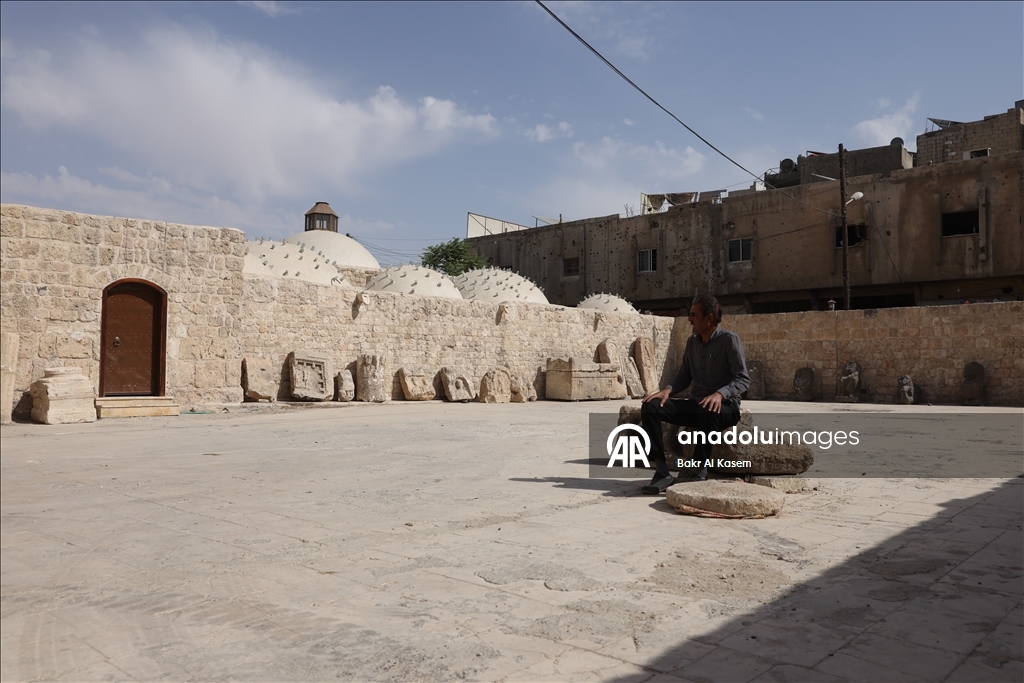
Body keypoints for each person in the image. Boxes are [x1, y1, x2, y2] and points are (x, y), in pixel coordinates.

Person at [639, 294, 750, 494]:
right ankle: (662, 472)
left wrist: (720, 394)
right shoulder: (692, 342)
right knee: (650, 406)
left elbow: (743, 379)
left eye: (693, 315)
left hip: (725, 407)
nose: (689, 319)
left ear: (708, 318)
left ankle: (699, 471)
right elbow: (684, 376)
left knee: (708, 407)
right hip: (698, 404)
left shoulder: (729, 340)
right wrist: (666, 391)